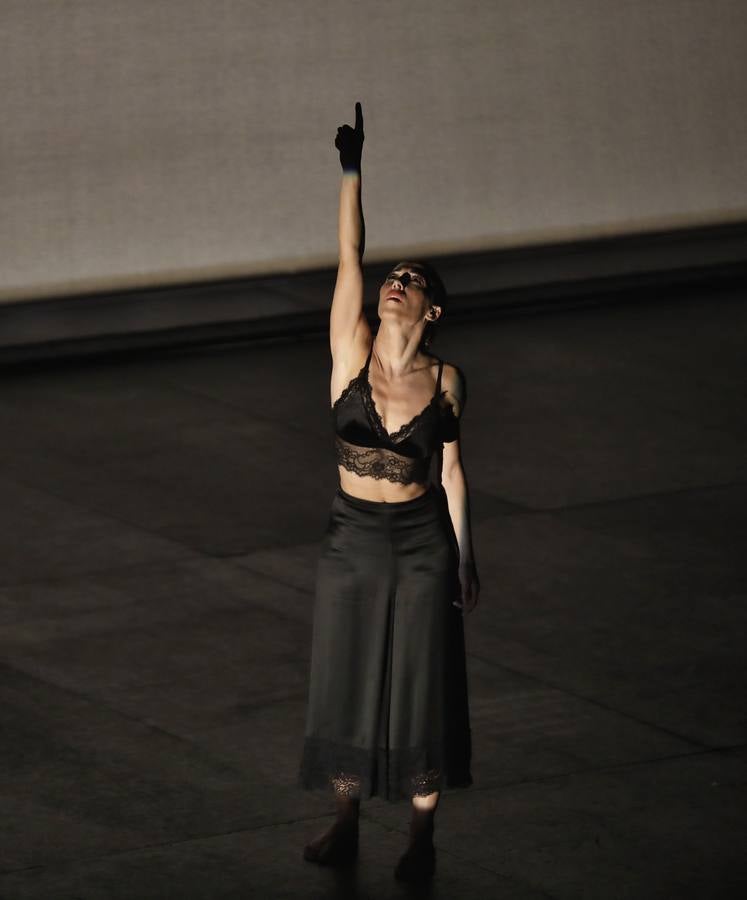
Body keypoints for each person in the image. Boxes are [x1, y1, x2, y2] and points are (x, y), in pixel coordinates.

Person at [298, 101, 480, 883]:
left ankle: (420, 839)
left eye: (413, 280)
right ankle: (343, 823)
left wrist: (467, 557)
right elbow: (349, 250)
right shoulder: (350, 352)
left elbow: (449, 471)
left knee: (420, 687)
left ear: (432, 308)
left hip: (419, 546)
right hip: (350, 538)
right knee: (343, 677)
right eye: (394, 276)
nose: (395, 282)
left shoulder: (446, 380)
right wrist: (350, 167)